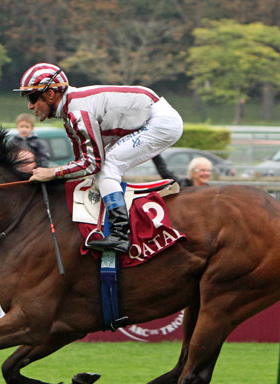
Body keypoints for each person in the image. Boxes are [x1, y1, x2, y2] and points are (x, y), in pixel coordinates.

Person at [17, 62, 183, 254]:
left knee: (107, 168)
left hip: (160, 122)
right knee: (101, 170)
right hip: (148, 114)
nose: (29, 106)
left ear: (50, 94)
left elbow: (92, 164)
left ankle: (120, 234)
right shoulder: (69, 114)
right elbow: (80, 163)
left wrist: (52, 172)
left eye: (31, 98)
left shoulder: (77, 113)